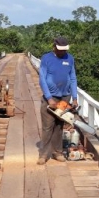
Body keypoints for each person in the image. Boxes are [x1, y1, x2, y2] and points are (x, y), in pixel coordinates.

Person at [37, 37, 79, 165]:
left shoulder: (70, 58)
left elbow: (72, 78)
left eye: (64, 50)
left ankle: (57, 152)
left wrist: (75, 97)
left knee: (59, 126)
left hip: (65, 97)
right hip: (51, 98)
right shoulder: (46, 58)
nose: (62, 52)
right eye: (60, 50)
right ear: (54, 47)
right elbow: (42, 78)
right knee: (47, 127)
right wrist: (49, 98)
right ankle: (43, 155)